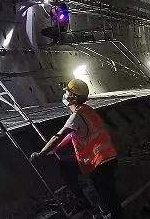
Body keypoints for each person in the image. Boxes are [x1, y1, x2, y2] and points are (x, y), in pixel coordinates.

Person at [30, 79, 122, 218]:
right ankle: (85, 202)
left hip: (98, 162)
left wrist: (41, 154)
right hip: (107, 158)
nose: (64, 93)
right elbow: (71, 135)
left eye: (67, 91)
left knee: (109, 201)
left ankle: (94, 206)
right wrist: (53, 150)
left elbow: (58, 136)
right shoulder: (87, 111)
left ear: (73, 96)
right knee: (108, 196)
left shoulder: (76, 116)